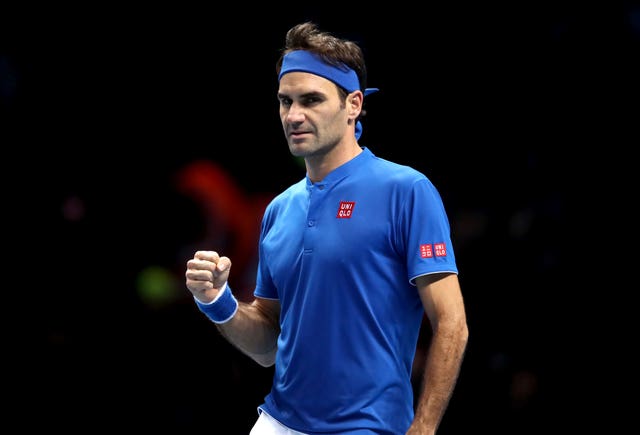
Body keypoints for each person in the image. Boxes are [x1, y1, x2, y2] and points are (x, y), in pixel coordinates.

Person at [185, 21, 469, 435]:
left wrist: (423, 429)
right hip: (277, 422)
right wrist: (217, 302)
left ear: (353, 104)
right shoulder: (278, 211)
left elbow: (452, 323)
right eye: (286, 101)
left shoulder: (407, 191)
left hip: (368, 428)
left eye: (311, 100)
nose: (294, 116)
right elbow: (267, 347)